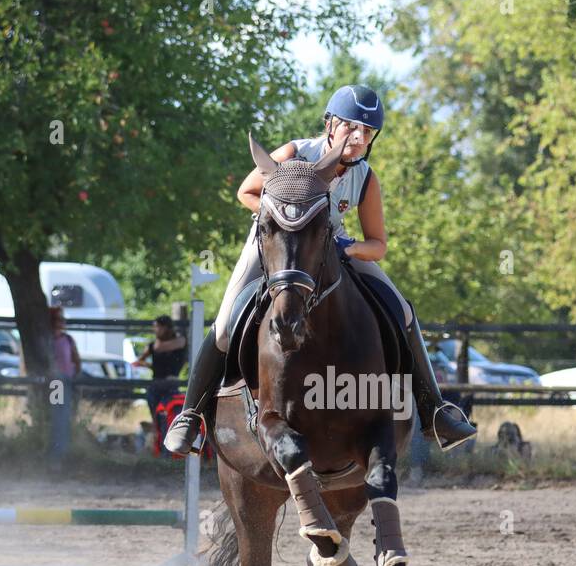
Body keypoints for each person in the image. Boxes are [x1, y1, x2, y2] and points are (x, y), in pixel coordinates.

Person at [162, 84, 475, 455]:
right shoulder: (297, 153)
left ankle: (434, 409)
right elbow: (246, 190)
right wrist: (278, 222)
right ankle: (189, 416)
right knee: (228, 321)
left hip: (332, 246)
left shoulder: (365, 178)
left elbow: (379, 244)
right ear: (329, 124)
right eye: (351, 127)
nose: (358, 138)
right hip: (277, 240)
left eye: (367, 132)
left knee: (403, 311)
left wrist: (350, 247)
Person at [132, 315, 186, 443]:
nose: (155, 330)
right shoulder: (154, 345)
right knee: (156, 413)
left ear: (166, 327)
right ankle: (157, 438)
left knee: (169, 414)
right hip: (157, 383)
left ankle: (166, 440)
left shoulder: (179, 340)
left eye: (157, 327)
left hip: (170, 384)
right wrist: (151, 366)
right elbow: (140, 360)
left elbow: (159, 347)